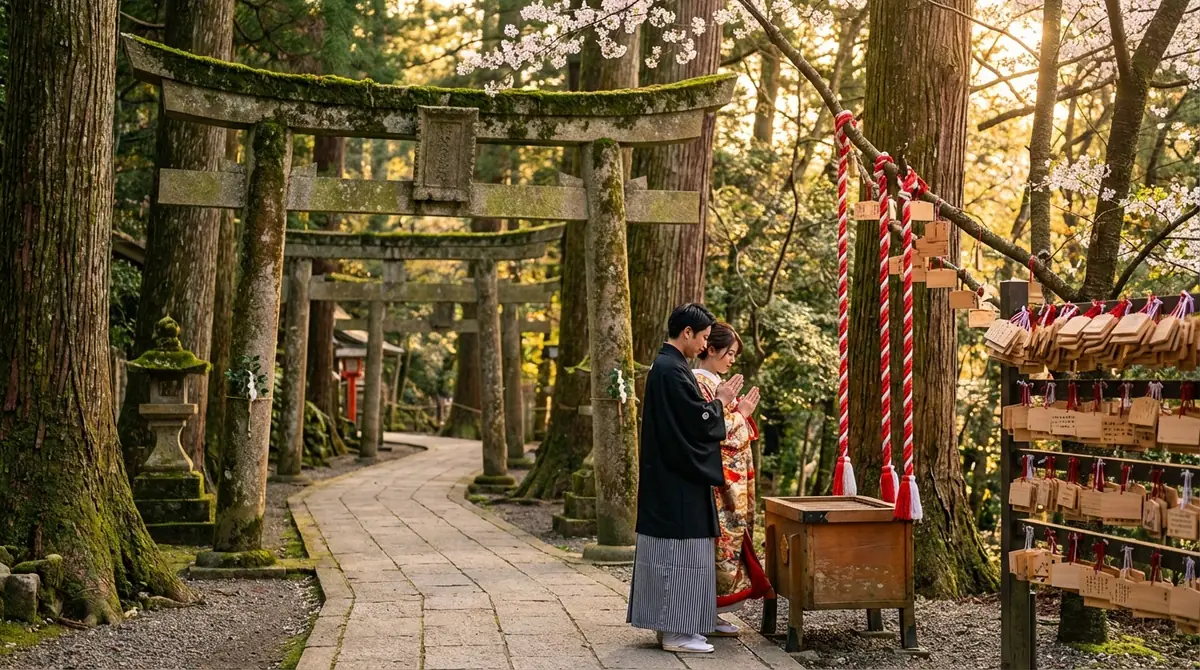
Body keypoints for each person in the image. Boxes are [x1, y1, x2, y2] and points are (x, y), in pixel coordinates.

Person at [627, 303, 742, 654]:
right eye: (704, 338)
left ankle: (670, 626)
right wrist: (720, 403)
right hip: (677, 481)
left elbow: (686, 422)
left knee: (668, 555)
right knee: (682, 555)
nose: (706, 346)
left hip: (669, 477)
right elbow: (695, 422)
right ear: (687, 333)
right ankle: (678, 631)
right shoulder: (672, 370)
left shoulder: (668, 367)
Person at [692, 323, 773, 636]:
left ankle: (712, 611)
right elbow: (718, 432)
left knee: (726, 543)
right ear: (710, 350)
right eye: (729, 353)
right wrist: (741, 414)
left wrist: (737, 409)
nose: (731, 360)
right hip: (718, 480)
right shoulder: (701, 383)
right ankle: (706, 610)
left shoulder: (713, 383)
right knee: (717, 544)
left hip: (727, 477)